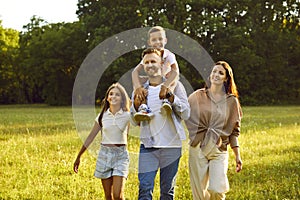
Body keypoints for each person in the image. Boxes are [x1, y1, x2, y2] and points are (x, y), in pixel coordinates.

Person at [131, 48, 190, 199]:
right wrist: (136, 107)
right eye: (147, 62)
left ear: (162, 63)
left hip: (171, 147)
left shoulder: (176, 86)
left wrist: (171, 97)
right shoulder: (139, 90)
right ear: (143, 65)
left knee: (167, 191)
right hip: (148, 147)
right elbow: (133, 120)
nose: (150, 65)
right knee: (145, 188)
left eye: (153, 61)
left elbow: (186, 113)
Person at [185, 61, 243, 200]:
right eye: (214, 71)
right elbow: (182, 110)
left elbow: (234, 131)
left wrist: (237, 155)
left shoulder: (231, 101)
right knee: (199, 194)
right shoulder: (197, 96)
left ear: (226, 78)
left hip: (219, 149)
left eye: (220, 73)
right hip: (198, 147)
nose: (216, 75)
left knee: (217, 189)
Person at [73, 83, 131, 200]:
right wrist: (79, 156)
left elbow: (141, 122)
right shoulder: (102, 116)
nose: (113, 96)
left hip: (121, 155)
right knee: (108, 196)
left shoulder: (127, 115)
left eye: (117, 95)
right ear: (107, 98)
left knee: (117, 196)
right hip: (104, 155)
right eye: (111, 94)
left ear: (122, 99)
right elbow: (90, 137)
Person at [132, 26, 180, 121]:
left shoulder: (169, 55)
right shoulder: (149, 56)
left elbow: (176, 71)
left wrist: (165, 86)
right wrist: (138, 87)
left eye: (160, 39)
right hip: (154, 79)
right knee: (140, 81)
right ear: (149, 42)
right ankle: (143, 107)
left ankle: (166, 100)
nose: (157, 42)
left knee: (175, 79)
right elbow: (135, 71)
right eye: (154, 40)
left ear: (165, 40)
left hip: (166, 81)